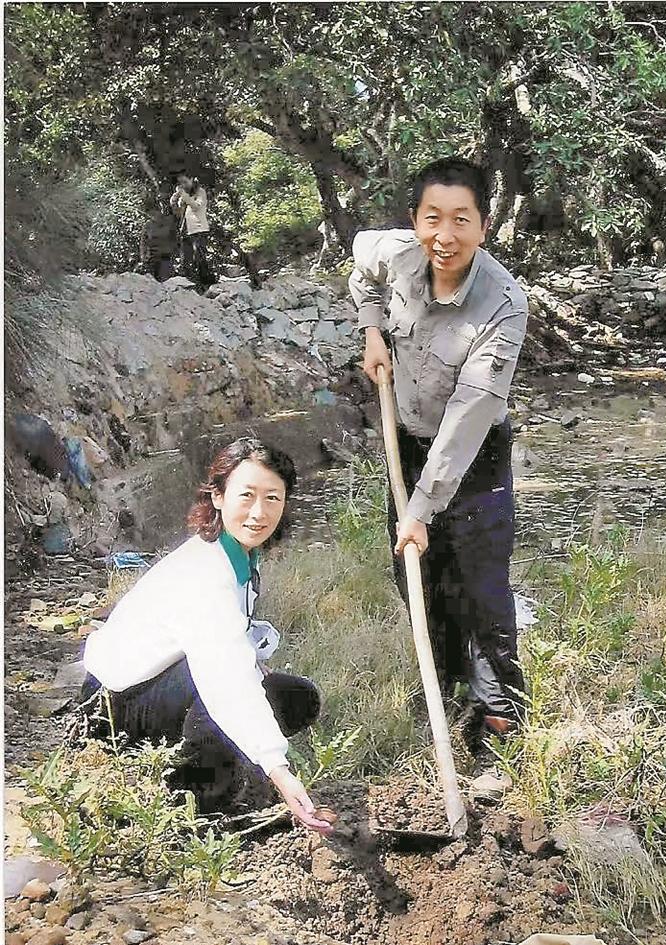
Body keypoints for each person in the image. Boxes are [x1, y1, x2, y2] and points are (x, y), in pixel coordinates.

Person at [348, 156, 529, 759]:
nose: (444, 236)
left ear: (483, 226)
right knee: (417, 579)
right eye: (432, 218)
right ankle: (451, 695)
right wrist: (373, 331)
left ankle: (501, 725)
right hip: (407, 444)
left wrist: (422, 509)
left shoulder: (503, 305)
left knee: (481, 591)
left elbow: (468, 416)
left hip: (472, 460)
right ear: (415, 219)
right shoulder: (397, 254)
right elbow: (360, 266)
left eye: (460, 220)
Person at [80, 437, 332, 833]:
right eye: (246, 495)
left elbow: (232, 640)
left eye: (272, 498)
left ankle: (215, 764)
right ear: (218, 497)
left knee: (294, 696)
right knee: (224, 685)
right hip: (113, 711)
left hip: (152, 689)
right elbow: (225, 676)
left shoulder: (238, 554)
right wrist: (279, 770)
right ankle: (195, 802)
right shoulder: (205, 573)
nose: (259, 512)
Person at [170, 174, 214, 286]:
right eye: (181, 183)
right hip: (185, 229)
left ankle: (205, 283)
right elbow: (176, 210)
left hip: (199, 229)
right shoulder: (185, 195)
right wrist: (175, 197)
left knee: (199, 257)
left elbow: (196, 206)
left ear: (191, 180)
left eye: (185, 182)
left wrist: (184, 195)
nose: (183, 185)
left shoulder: (200, 192)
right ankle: (189, 282)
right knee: (185, 258)